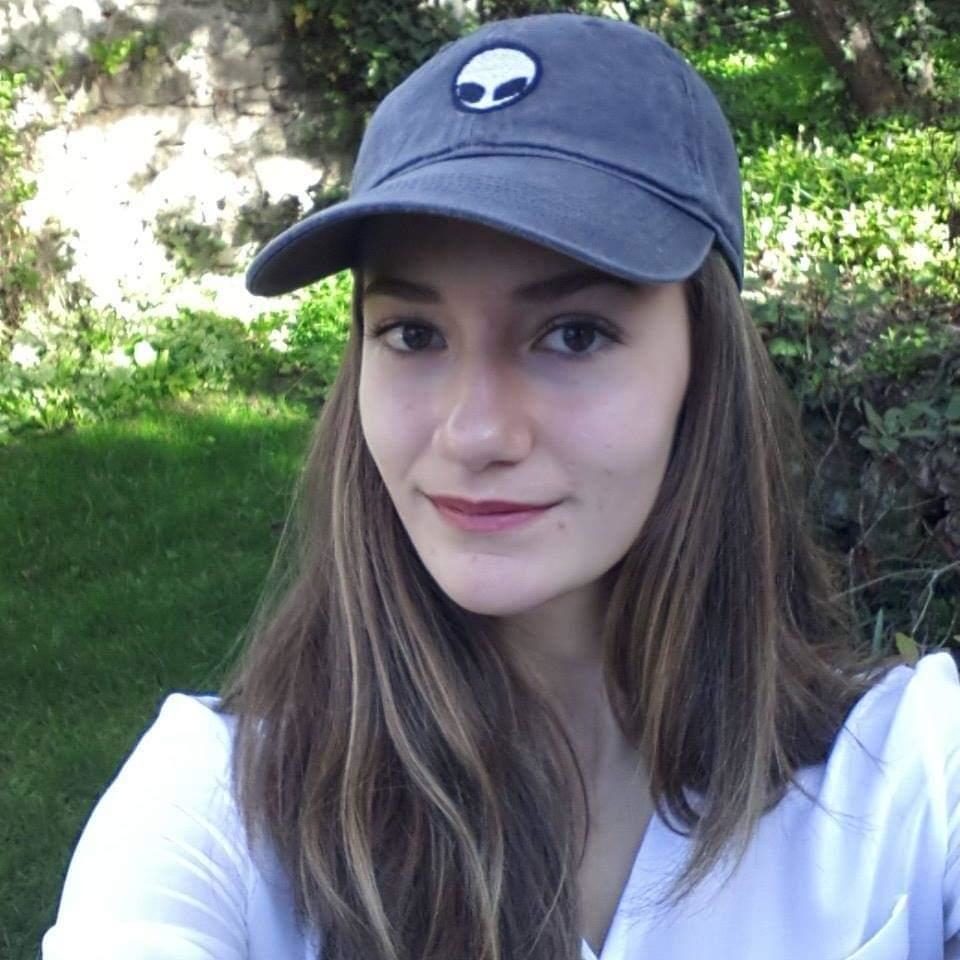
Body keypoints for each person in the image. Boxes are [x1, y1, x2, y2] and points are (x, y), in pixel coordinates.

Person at [42, 12, 960, 960]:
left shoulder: (914, 774)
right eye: (413, 334)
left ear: (705, 366)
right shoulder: (219, 810)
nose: (475, 433)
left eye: (573, 334)